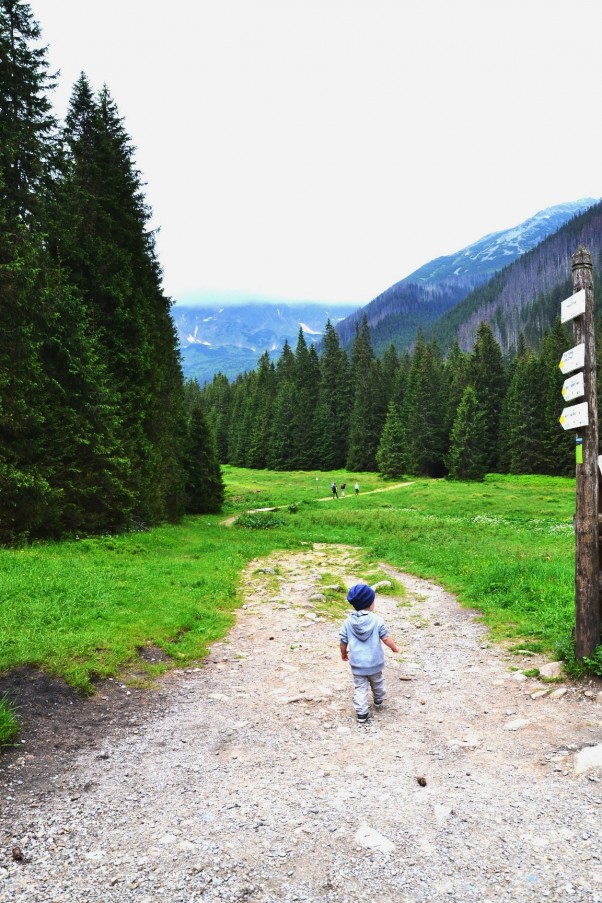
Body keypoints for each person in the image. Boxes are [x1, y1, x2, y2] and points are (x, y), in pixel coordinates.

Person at [339, 583, 399, 723]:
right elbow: (385, 638)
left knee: (360, 687)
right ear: (370, 603)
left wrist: (343, 653)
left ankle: (362, 714)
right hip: (374, 662)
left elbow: (343, 641)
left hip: (358, 664)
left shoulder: (348, 622)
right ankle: (378, 701)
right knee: (377, 682)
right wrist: (394, 648)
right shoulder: (377, 620)